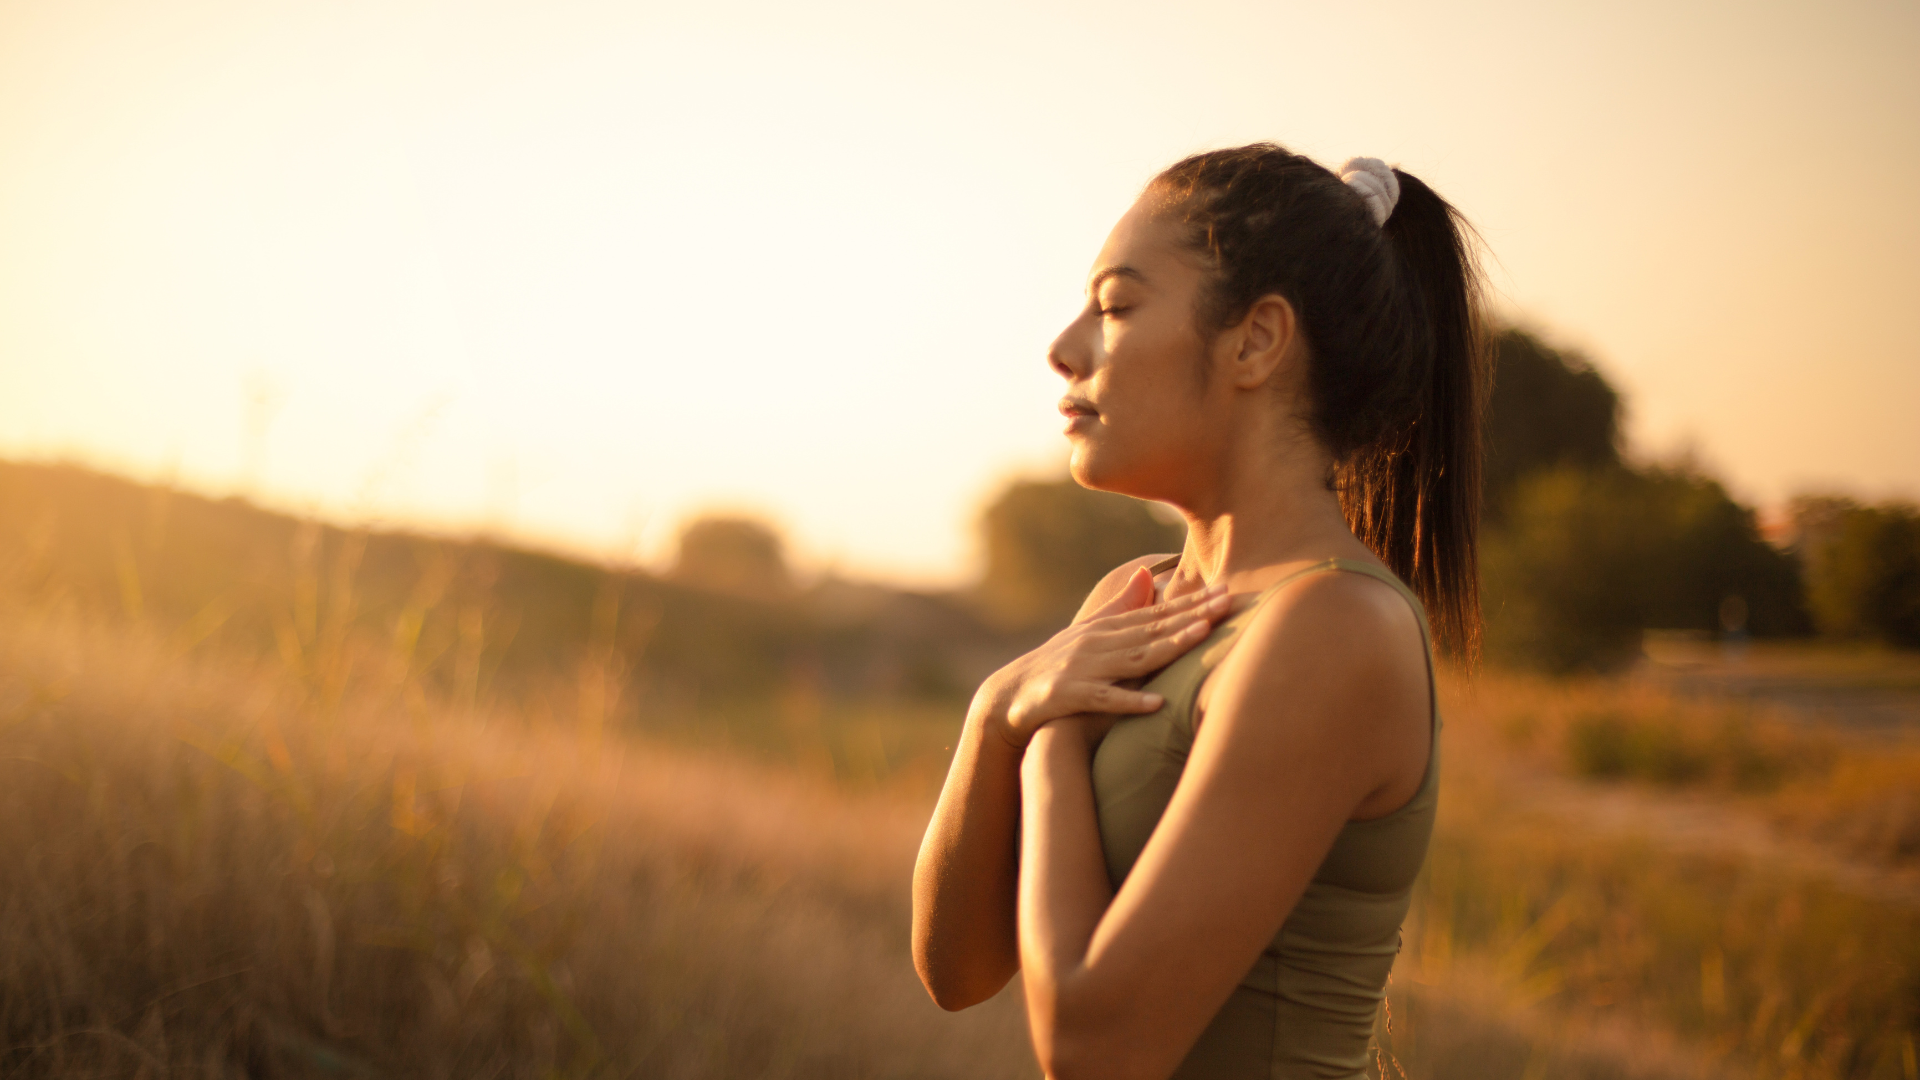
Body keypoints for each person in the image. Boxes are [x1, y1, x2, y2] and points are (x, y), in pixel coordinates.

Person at [911, 143, 1485, 1080]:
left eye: (1116, 306)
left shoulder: (1334, 626)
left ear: (1256, 341)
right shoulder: (1133, 602)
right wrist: (998, 713)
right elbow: (957, 970)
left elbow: (1095, 1050)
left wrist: (1050, 742)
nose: (1064, 349)